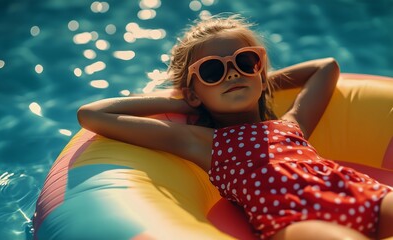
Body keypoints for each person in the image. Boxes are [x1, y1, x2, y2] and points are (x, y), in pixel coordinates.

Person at [77, 14, 393, 240]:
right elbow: (93, 114)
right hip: (295, 220)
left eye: (244, 62)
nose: (231, 74)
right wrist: (182, 102)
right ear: (193, 91)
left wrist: (260, 82)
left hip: (362, 194)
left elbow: (326, 67)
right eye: (213, 70)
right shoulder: (204, 142)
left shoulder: (292, 124)